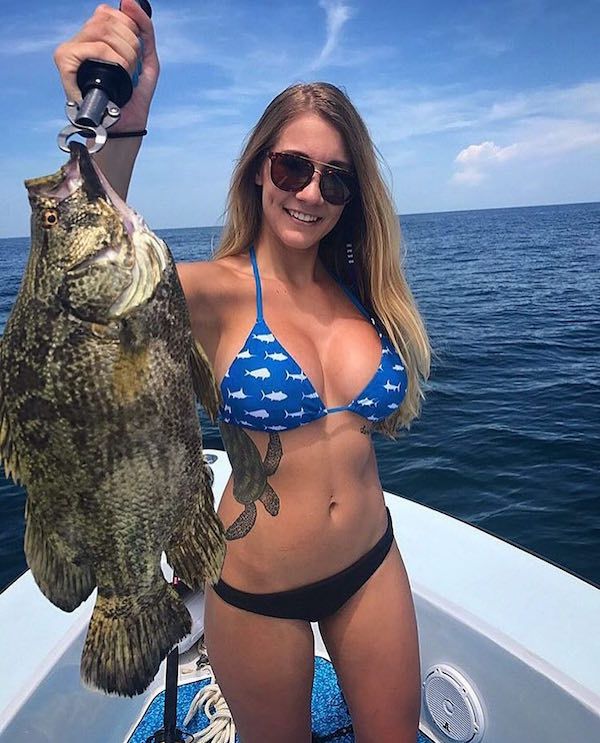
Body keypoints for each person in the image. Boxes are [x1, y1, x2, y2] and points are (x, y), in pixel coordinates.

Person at [54, 2, 431, 741]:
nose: (311, 193)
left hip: (371, 563)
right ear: (261, 168)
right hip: (258, 593)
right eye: (293, 167)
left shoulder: (364, 292)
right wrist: (120, 123)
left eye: (335, 180)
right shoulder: (212, 293)